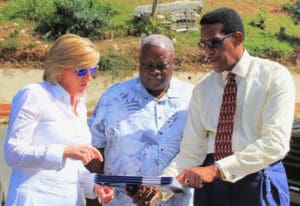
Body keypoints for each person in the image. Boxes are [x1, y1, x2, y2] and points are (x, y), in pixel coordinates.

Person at [162, 7, 295, 206]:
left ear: (237, 38)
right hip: (212, 188)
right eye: (203, 44)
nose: (207, 51)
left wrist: (217, 170)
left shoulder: (274, 77)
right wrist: (161, 188)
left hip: (257, 180)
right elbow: (192, 151)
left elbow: (275, 143)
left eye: (214, 42)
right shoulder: (203, 89)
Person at [4, 33, 114, 206]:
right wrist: (63, 151)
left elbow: (73, 166)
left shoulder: (80, 104)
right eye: (81, 71)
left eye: (93, 69)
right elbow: (13, 154)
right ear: (59, 68)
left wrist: (94, 186)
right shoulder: (34, 95)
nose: (89, 77)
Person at [87, 34, 194, 206]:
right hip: (121, 201)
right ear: (139, 61)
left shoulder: (192, 98)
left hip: (176, 200)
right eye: (147, 65)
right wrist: (93, 198)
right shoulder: (113, 98)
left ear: (173, 62)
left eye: (162, 66)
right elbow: (94, 148)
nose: (154, 71)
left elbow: (198, 152)